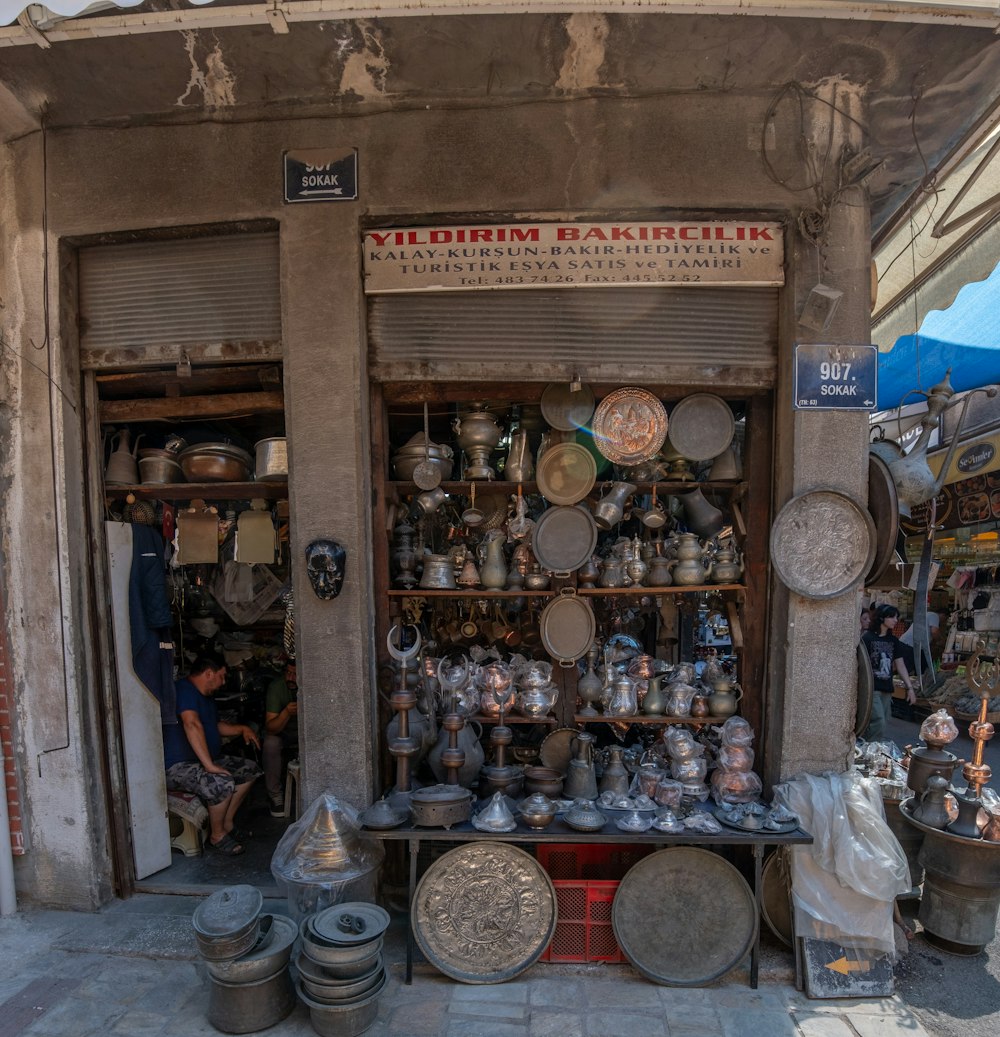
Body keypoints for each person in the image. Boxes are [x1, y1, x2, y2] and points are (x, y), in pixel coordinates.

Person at [163, 655, 262, 855]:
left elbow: (215, 726)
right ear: (209, 673)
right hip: (178, 766)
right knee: (221, 781)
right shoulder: (184, 690)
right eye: (222, 676)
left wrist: (242, 728)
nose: (223, 682)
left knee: (249, 770)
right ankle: (217, 835)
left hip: (202, 761)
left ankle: (227, 824)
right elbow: (191, 724)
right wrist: (209, 765)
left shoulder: (205, 697)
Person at [862, 605, 915, 741]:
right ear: (881, 618)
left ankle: (872, 750)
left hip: (887, 688)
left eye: (896, 617)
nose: (895, 620)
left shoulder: (893, 641)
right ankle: (870, 748)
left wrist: (909, 688)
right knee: (878, 720)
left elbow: (900, 664)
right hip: (871, 688)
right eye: (892, 617)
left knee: (883, 722)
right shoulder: (867, 638)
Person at [263, 660, 299, 817]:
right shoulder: (277, 687)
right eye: (288, 672)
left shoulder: (313, 685)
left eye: (295, 674)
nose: (290, 678)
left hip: (308, 734)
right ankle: (275, 795)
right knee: (270, 743)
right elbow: (270, 727)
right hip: (284, 733)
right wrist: (286, 713)